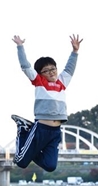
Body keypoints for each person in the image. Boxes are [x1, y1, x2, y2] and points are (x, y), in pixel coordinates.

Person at [11, 34, 82, 172]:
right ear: (40, 74)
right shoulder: (39, 82)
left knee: (50, 166)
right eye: (46, 71)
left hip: (56, 131)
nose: (51, 72)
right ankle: (23, 128)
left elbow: (69, 68)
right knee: (20, 162)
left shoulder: (62, 82)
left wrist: (75, 52)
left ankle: (30, 149)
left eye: (53, 69)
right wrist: (20, 46)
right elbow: (25, 66)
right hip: (41, 128)